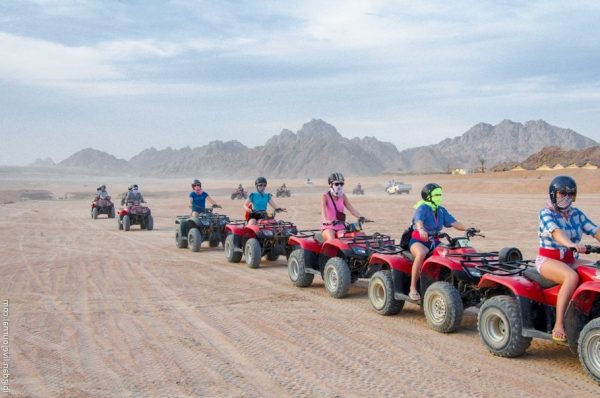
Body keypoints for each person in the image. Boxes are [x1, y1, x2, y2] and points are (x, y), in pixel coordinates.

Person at [537, 175, 600, 344]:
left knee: (596, 272)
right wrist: (570, 244)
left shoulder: (576, 214)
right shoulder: (546, 213)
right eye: (562, 193)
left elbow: (594, 230)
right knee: (571, 277)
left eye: (570, 194)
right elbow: (556, 232)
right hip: (548, 260)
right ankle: (559, 325)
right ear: (553, 194)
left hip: (571, 259)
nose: (566, 197)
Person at [408, 183, 468, 301]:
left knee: (450, 253)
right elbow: (418, 220)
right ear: (428, 196)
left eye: (440, 194)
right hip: (419, 240)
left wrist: (468, 228)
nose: (439, 196)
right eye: (436, 194)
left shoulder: (441, 210)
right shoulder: (423, 207)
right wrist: (421, 229)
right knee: (421, 254)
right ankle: (413, 288)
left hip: (434, 242)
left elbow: (454, 223)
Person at [321, 172, 365, 241]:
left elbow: (351, 209)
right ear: (330, 184)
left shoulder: (343, 196)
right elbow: (323, 211)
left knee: (352, 239)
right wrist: (325, 221)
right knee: (332, 240)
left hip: (341, 227)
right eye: (336, 184)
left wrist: (361, 217)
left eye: (341, 184)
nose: (339, 186)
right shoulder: (325, 196)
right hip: (328, 227)